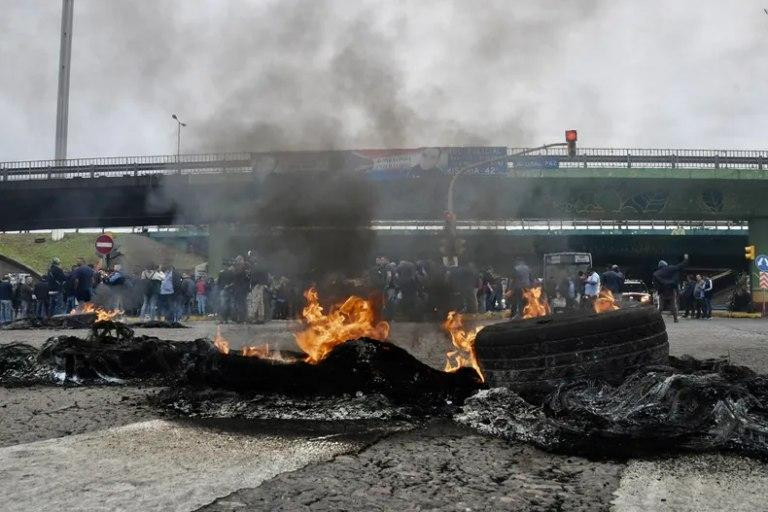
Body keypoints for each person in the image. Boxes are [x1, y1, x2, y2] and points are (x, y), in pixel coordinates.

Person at [652, 254, 689, 323]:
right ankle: (675, 319)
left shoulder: (656, 273)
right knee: (673, 305)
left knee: (661, 307)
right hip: (671, 290)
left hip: (662, 292)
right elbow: (680, 266)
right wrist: (686, 259)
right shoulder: (671, 268)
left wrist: (658, 291)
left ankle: (656, 319)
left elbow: (655, 285)